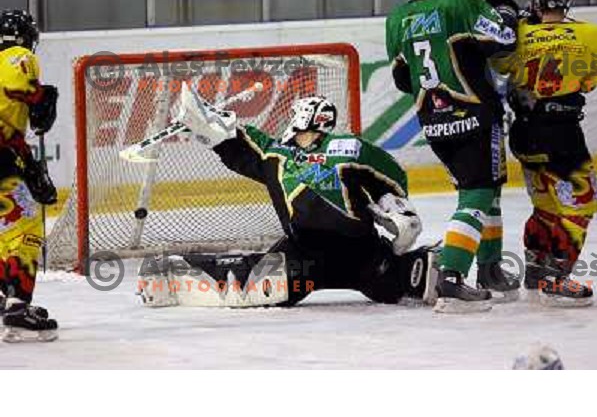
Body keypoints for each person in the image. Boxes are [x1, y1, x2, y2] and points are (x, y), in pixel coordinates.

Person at [137, 89, 439, 309]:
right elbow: (237, 145)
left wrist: (390, 205)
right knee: (258, 284)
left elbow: (391, 178)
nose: (289, 121)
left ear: (306, 118)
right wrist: (207, 123)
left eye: (294, 116)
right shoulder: (278, 156)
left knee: (408, 279)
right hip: (309, 260)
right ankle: (169, 272)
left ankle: (445, 268)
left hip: (358, 254)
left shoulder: (339, 148)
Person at [386, 0, 520, 312]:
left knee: (485, 191)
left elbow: (403, 79)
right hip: (475, 114)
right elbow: (504, 38)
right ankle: (452, 278)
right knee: (478, 194)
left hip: (432, 121)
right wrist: (506, 16)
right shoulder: (460, 0)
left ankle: (489, 271)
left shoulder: (397, 18)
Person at [495, 0, 597, 307]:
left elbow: (499, 63)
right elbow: (588, 83)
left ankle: (537, 271)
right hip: (563, 136)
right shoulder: (589, 34)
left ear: (537, 2)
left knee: (545, 205)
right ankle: (557, 279)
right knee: (582, 204)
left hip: (524, 135)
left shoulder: (520, 35)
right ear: (566, 3)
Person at [0, 9, 59, 342]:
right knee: (26, 229)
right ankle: (18, 306)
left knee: (4, 231)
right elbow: (17, 84)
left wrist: (28, 164)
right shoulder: (16, 55)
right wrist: (42, 96)